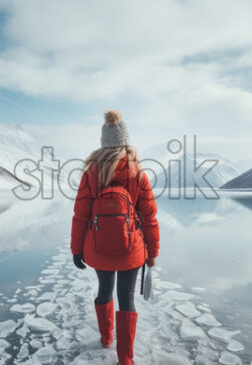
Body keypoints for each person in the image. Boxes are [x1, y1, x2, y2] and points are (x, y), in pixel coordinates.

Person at [71, 110, 160, 365]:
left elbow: (80, 215)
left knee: (104, 290)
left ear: (103, 143)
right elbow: (150, 217)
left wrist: (77, 249)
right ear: (125, 142)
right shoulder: (138, 174)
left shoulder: (90, 174)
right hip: (132, 249)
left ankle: (106, 338)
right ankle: (126, 359)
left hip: (98, 247)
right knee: (127, 298)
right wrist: (152, 252)